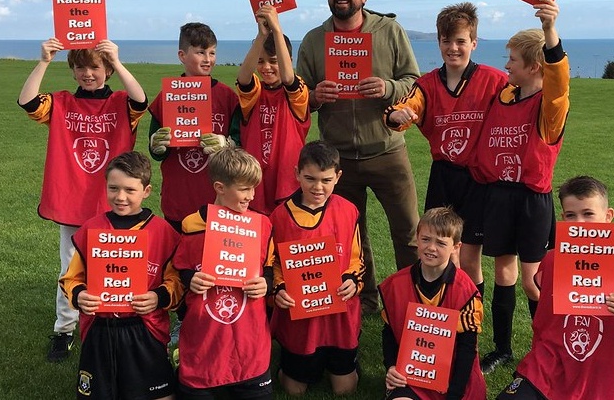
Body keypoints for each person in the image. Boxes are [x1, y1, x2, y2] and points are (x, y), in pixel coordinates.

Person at [296, 0, 421, 314]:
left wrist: (387, 88)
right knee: (352, 235)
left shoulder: (390, 31)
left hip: (387, 151)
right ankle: (364, 300)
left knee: (408, 232)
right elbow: (298, 94)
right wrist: (315, 95)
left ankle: (413, 301)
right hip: (336, 159)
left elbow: (414, 82)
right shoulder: (314, 39)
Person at [18, 37, 148, 362]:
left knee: (117, 264)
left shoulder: (120, 102)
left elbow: (141, 98)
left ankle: (115, 321)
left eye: (95, 66)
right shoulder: (61, 102)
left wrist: (116, 60)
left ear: (106, 69)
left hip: (113, 201)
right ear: (73, 71)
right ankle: (64, 329)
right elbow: (27, 101)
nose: (88, 73)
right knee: (70, 269)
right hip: (72, 201)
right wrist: (45, 60)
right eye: (80, 67)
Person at [469, 0, 570, 373]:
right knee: (504, 274)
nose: (506, 65)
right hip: (500, 197)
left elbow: (558, 82)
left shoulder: (550, 107)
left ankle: (549, 346)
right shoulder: (505, 97)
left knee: (533, 282)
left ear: (533, 66)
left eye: (512, 59)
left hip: (531, 200)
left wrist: (549, 31)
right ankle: (502, 349)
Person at [495, 176, 614, 400]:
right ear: (563, 218)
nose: (580, 223)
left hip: (601, 375)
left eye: (588, 214)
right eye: (571, 215)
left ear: (608, 216)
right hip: (547, 364)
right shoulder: (551, 262)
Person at [384, 2, 508, 298]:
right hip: (443, 177)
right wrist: (397, 115)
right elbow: (405, 107)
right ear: (438, 41)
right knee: (440, 252)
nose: (453, 48)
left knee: (468, 258)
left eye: (461, 41)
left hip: (478, 179)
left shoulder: (494, 81)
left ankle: (470, 313)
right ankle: (440, 314)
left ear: (474, 43)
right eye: (446, 41)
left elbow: (524, 102)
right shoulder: (426, 84)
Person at [59, 151, 182, 400]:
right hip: (100, 328)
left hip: (145, 328)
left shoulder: (163, 232)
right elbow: (71, 278)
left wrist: (158, 297)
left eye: (130, 190)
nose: (120, 197)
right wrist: (79, 295)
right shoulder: (91, 229)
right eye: (113, 188)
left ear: (146, 191)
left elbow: (177, 281)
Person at [172, 146, 274, 399]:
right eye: (243, 189)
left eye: (253, 188)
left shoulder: (262, 224)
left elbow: (270, 269)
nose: (251, 196)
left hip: (250, 345)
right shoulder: (192, 224)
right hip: (204, 339)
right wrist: (190, 280)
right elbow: (181, 267)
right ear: (219, 187)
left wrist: (265, 284)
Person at [269, 140, 364, 396]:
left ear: (338, 177)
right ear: (296, 173)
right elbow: (274, 261)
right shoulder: (280, 216)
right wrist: (278, 287)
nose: (318, 187)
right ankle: (290, 363)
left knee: (345, 390)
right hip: (301, 317)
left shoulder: (348, 211)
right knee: (293, 390)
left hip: (338, 313)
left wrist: (353, 281)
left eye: (326, 180)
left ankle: (341, 362)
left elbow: (357, 259)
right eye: (310, 178)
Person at [379, 207, 487, 400]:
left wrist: (454, 394)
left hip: (455, 379)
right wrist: (391, 366)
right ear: (417, 238)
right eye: (426, 239)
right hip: (412, 376)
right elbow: (389, 333)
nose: (431, 248)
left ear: (456, 247)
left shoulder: (466, 292)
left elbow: (467, 348)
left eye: (440, 243)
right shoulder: (395, 285)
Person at [148, 22, 239, 231]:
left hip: (218, 197)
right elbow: (156, 150)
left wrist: (227, 143)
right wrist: (156, 145)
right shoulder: (167, 97)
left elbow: (242, 140)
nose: (208, 59)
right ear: (182, 55)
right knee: (178, 260)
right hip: (178, 196)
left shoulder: (227, 97)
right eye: (200, 52)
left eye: (212, 53)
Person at [236, 4, 310, 215]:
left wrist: (277, 30)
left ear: (288, 60)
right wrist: (261, 37)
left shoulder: (297, 92)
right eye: (261, 62)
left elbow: (289, 79)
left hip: (287, 181)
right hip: (254, 182)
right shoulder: (255, 91)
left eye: (274, 61)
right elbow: (244, 79)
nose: (266, 67)